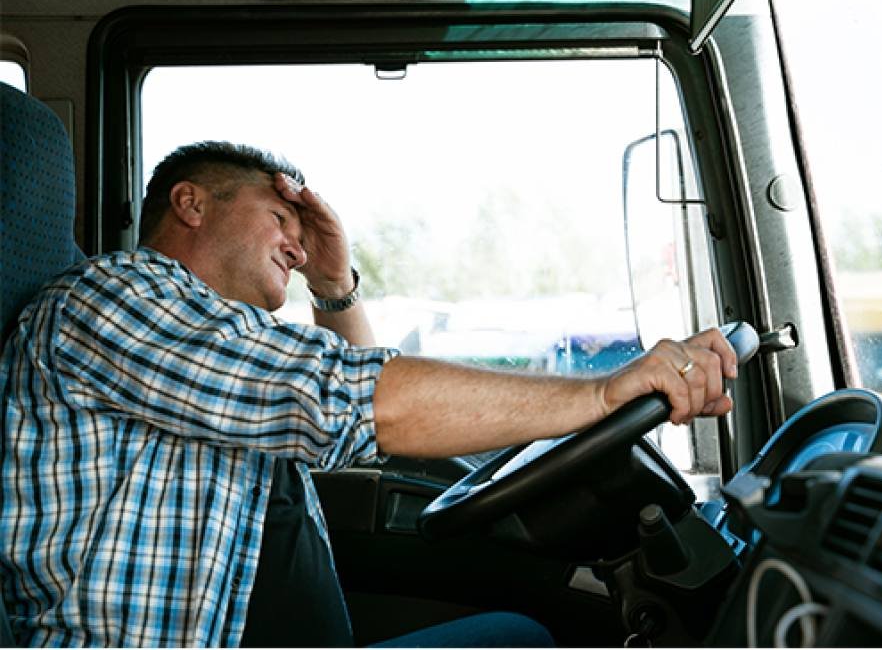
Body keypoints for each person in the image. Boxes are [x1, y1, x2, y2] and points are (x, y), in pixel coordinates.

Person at [0, 141, 738, 647]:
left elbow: (369, 425)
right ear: (190, 204)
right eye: (281, 219)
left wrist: (332, 283)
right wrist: (607, 393)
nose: (296, 243)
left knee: (519, 635)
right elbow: (358, 398)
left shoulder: (213, 343)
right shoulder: (119, 298)